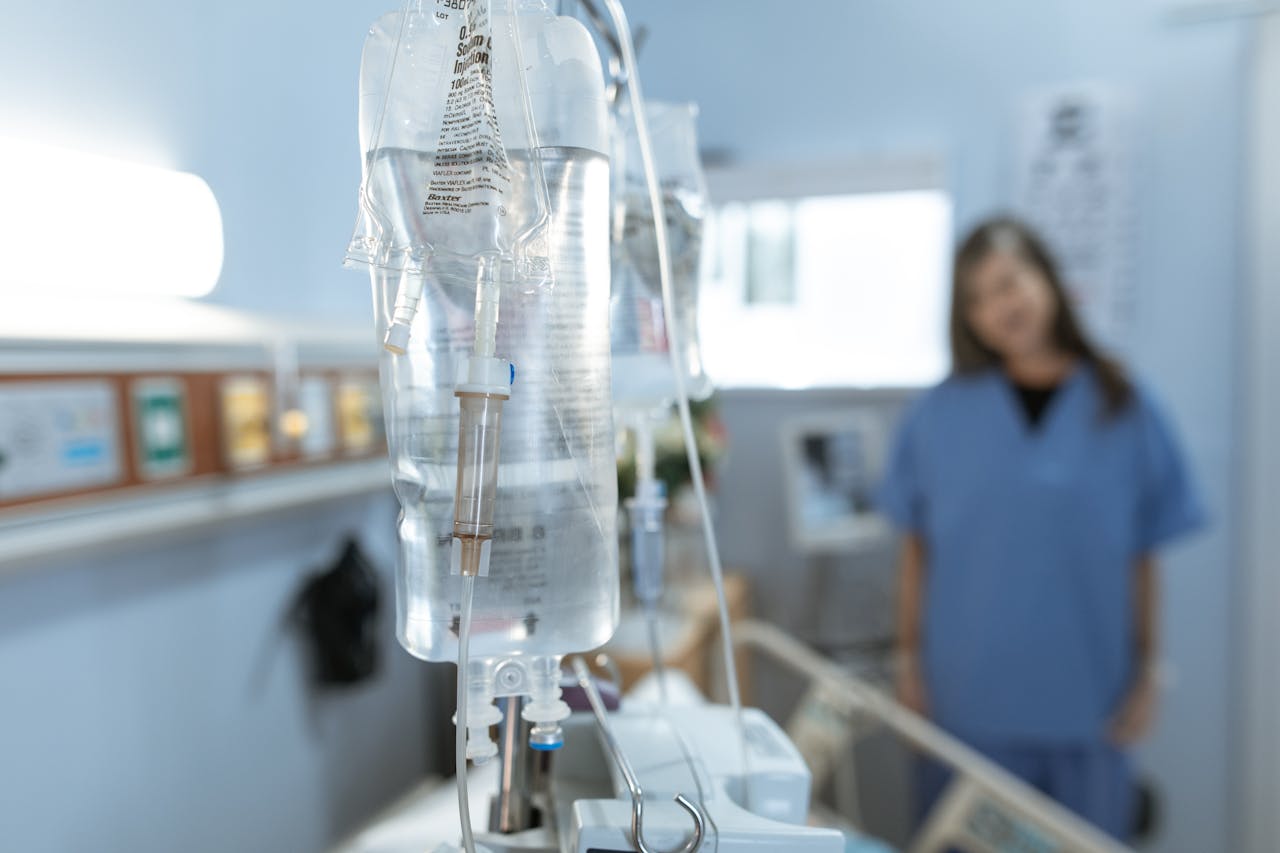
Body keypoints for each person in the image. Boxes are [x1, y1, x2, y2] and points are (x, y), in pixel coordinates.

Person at [875, 217, 1206, 839]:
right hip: (965, 702)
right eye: (975, 299)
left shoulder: (1122, 403)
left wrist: (1149, 673)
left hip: (1087, 701)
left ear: (1047, 281)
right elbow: (915, 552)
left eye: (1007, 284)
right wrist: (909, 663)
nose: (998, 307)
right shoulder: (937, 416)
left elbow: (1143, 555)